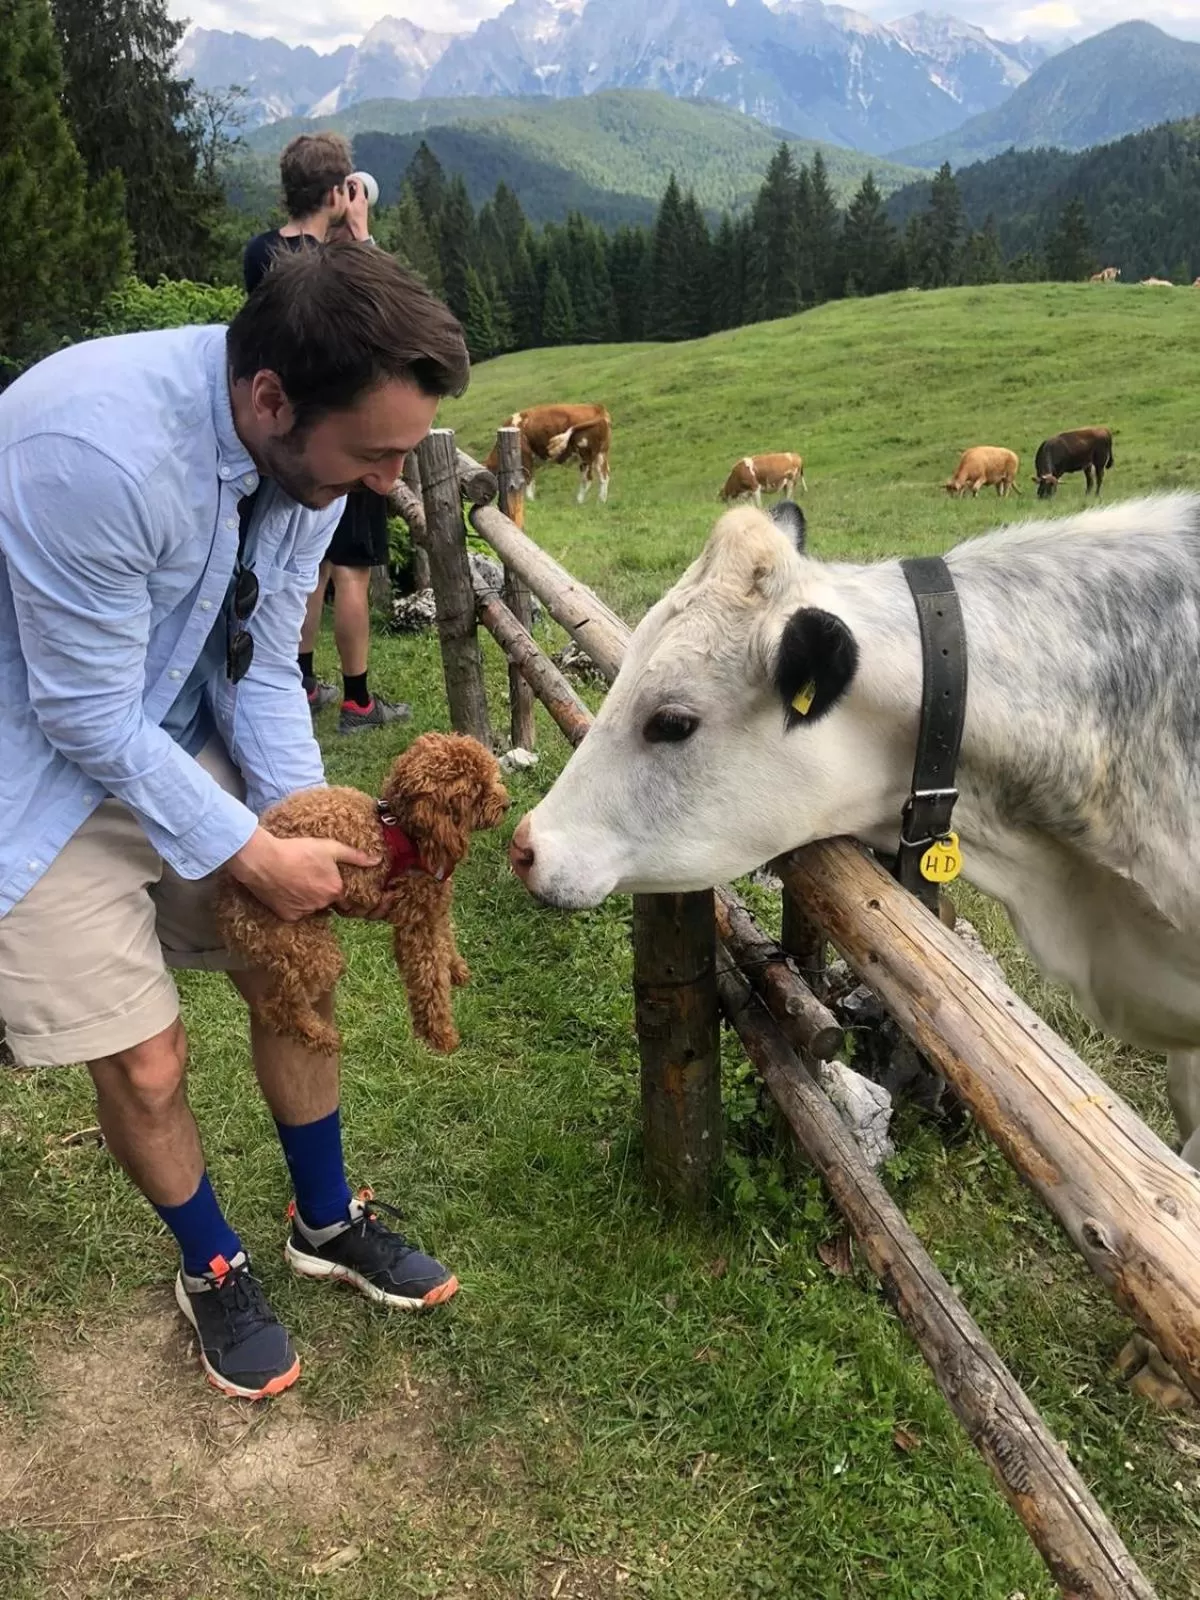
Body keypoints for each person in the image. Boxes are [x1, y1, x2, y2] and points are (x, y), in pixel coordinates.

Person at [0, 245, 471, 1400]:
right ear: (271, 399)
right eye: (373, 455)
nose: (381, 485)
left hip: (167, 719)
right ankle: (211, 1261)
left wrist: (308, 822)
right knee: (150, 1064)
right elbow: (84, 714)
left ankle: (326, 1217)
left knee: (290, 970)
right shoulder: (93, 453)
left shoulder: (306, 464)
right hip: (33, 761)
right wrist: (252, 847)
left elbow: (258, 665)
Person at [244, 133, 410, 733]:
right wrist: (361, 234)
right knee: (350, 572)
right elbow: (393, 321)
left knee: (304, 568)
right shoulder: (337, 265)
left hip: (288, 441)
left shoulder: (261, 253)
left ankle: (302, 679)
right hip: (345, 434)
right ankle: (359, 701)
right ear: (339, 192)